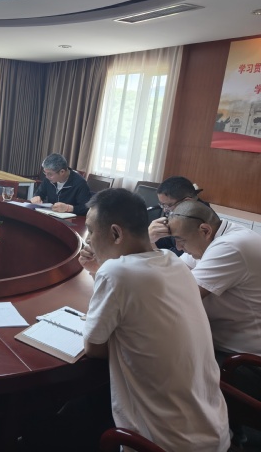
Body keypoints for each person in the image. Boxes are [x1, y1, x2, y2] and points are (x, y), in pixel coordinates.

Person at [79, 188, 230, 451]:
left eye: (91, 231)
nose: (88, 240)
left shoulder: (116, 273)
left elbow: (94, 348)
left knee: (72, 417)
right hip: (213, 433)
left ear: (116, 233)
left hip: (164, 443)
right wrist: (97, 270)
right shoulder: (173, 262)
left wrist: (102, 270)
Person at [166, 200, 261, 357]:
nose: (178, 247)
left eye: (181, 240)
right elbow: (172, 272)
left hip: (241, 356)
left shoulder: (230, 246)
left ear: (205, 230)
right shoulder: (210, 239)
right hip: (217, 341)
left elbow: (181, 297)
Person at [148, 175, 209, 255]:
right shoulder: (181, 214)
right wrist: (150, 237)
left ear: (187, 202)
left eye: (168, 205)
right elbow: (165, 241)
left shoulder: (196, 221)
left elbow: (178, 257)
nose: (164, 210)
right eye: (163, 205)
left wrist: (148, 241)